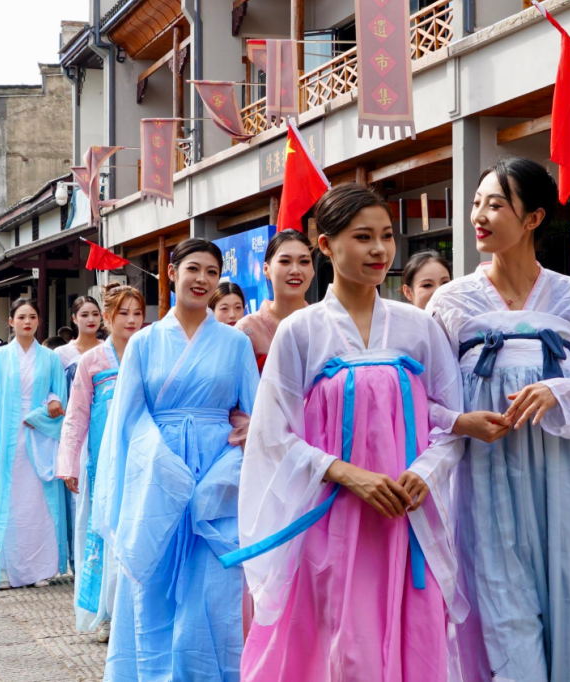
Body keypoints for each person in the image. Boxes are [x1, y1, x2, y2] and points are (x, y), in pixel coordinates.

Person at [228, 184, 465, 682]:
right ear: (326, 244)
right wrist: (346, 474)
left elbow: (450, 418)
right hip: (333, 517)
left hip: (407, 518)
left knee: (415, 644)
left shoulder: (417, 328)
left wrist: (424, 471)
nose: (380, 250)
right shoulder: (302, 331)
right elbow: (274, 433)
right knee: (344, 647)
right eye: (362, 237)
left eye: (386, 236)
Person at [427, 157, 570, 682]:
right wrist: (462, 421)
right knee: (495, 594)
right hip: (483, 473)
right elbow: (422, 398)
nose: (480, 215)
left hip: (566, 474)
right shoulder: (450, 302)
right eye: (476, 203)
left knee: (569, 587)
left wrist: (557, 390)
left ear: (533, 218)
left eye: (496, 204)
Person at [93, 238, 259, 681]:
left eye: (211, 271)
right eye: (193, 269)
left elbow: (256, 412)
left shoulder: (235, 343)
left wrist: (240, 448)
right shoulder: (144, 342)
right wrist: (162, 466)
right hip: (157, 474)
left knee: (213, 588)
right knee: (153, 584)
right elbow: (127, 417)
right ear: (172, 273)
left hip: (217, 476)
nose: (201, 279)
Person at [57, 282, 145, 643]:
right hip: (104, 464)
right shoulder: (90, 362)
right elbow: (76, 415)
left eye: (138, 313)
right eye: (123, 313)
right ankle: (107, 612)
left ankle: (137, 610)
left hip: (143, 460)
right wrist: (69, 463)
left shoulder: (150, 352)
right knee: (103, 533)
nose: (131, 320)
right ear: (108, 317)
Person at [0, 298, 68, 591]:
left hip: (39, 436)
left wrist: (48, 405)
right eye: (21, 317)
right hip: (5, 434)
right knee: (9, 500)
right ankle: (8, 568)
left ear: (39, 321)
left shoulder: (51, 359)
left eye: (33, 316)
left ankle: (42, 568)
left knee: (40, 501)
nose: (28, 321)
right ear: (10, 322)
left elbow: (61, 396)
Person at [236, 229, 314, 372]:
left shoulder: (325, 324)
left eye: (304, 261)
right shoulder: (246, 330)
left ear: (313, 271)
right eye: (285, 261)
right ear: (266, 269)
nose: (295, 270)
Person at [56, 296, 103, 369]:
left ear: (100, 316)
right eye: (84, 315)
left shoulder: (110, 349)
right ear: (74, 318)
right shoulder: (62, 353)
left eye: (95, 314)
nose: (91, 319)